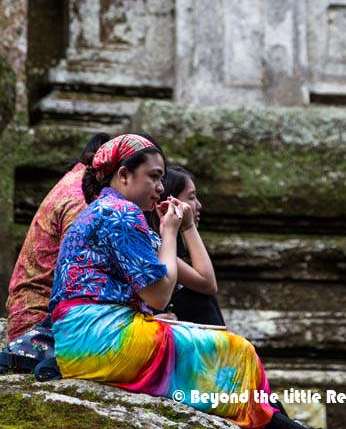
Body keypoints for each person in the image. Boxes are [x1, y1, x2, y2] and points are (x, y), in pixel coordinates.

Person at [49, 133, 300, 429]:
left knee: (214, 341)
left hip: (77, 341)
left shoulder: (100, 209)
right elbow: (159, 296)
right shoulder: (122, 213)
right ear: (124, 174)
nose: (159, 188)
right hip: (101, 341)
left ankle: (273, 421)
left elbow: (199, 284)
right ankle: (273, 422)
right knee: (237, 350)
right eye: (154, 177)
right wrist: (170, 231)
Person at [6, 132, 110, 342]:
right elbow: (76, 278)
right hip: (37, 329)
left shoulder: (72, 181)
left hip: (28, 314)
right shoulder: (83, 199)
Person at [145, 165, 225, 326]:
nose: (198, 205)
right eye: (191, 197)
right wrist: (189, 227)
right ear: (169, 199)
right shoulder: (150, 241)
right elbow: (207, 283)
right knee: (198, 299)